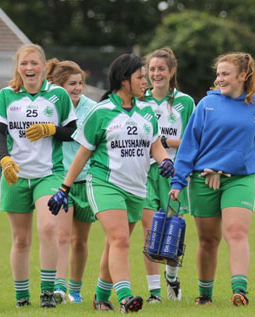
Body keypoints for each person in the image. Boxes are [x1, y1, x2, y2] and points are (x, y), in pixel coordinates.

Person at [48, 53, 175, 313]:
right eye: (141, 77)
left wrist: (165, 161)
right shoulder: (101, 112)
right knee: (120, 240)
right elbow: (83, 153)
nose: (146, 82)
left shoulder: (148, 111)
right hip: (105, 184)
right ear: (124, 80)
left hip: (137, 188)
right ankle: (126, 297)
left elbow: (156, 146)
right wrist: (65, 188)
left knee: (114, 243)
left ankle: (100, 296)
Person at [170, 52, 255, 306]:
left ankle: (240, 291)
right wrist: (178, 182)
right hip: (204, 179)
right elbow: (189, 147)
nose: (219, 79)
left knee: (236, 232)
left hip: (240, 179)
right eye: (218, 74)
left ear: (243, 76)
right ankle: (205, 295)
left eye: (225, 74)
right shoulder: (206, 104)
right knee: (208, 240)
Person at [0, 44, 77, 308]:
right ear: (18, 67)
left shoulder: (58, 95)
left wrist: (51, 128)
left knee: (48, 228)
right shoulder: (6, 95)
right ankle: (21, 296)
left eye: (34, 63)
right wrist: (4, 159)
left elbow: (72, 131)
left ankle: (48, 293)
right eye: (24, 63)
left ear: (43, 66)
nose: (29, 68)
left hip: (48, 174)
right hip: (15, 174)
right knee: (21, 239)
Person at [141, 47, 195, 303]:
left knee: (173, 229)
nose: (156, 73)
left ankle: (171, 278)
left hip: (173, 172)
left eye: (161, 68)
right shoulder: (140, 100)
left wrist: (165, 142)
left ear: (172, 71)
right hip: (143, 171)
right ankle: (154, 294)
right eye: (152, 69)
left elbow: (192, 141)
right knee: (150, 230)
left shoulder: (185, 102)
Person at [44, 58, 97, 304]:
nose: (77, 88)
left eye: (79, 83)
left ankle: (75, 290)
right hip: (61, 179)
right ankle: (58, 287)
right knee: (62, 236)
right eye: (71, 84)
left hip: (87, 181)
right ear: (58, 86)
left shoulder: (93, 109)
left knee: (80, 240)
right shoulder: (52, 107)